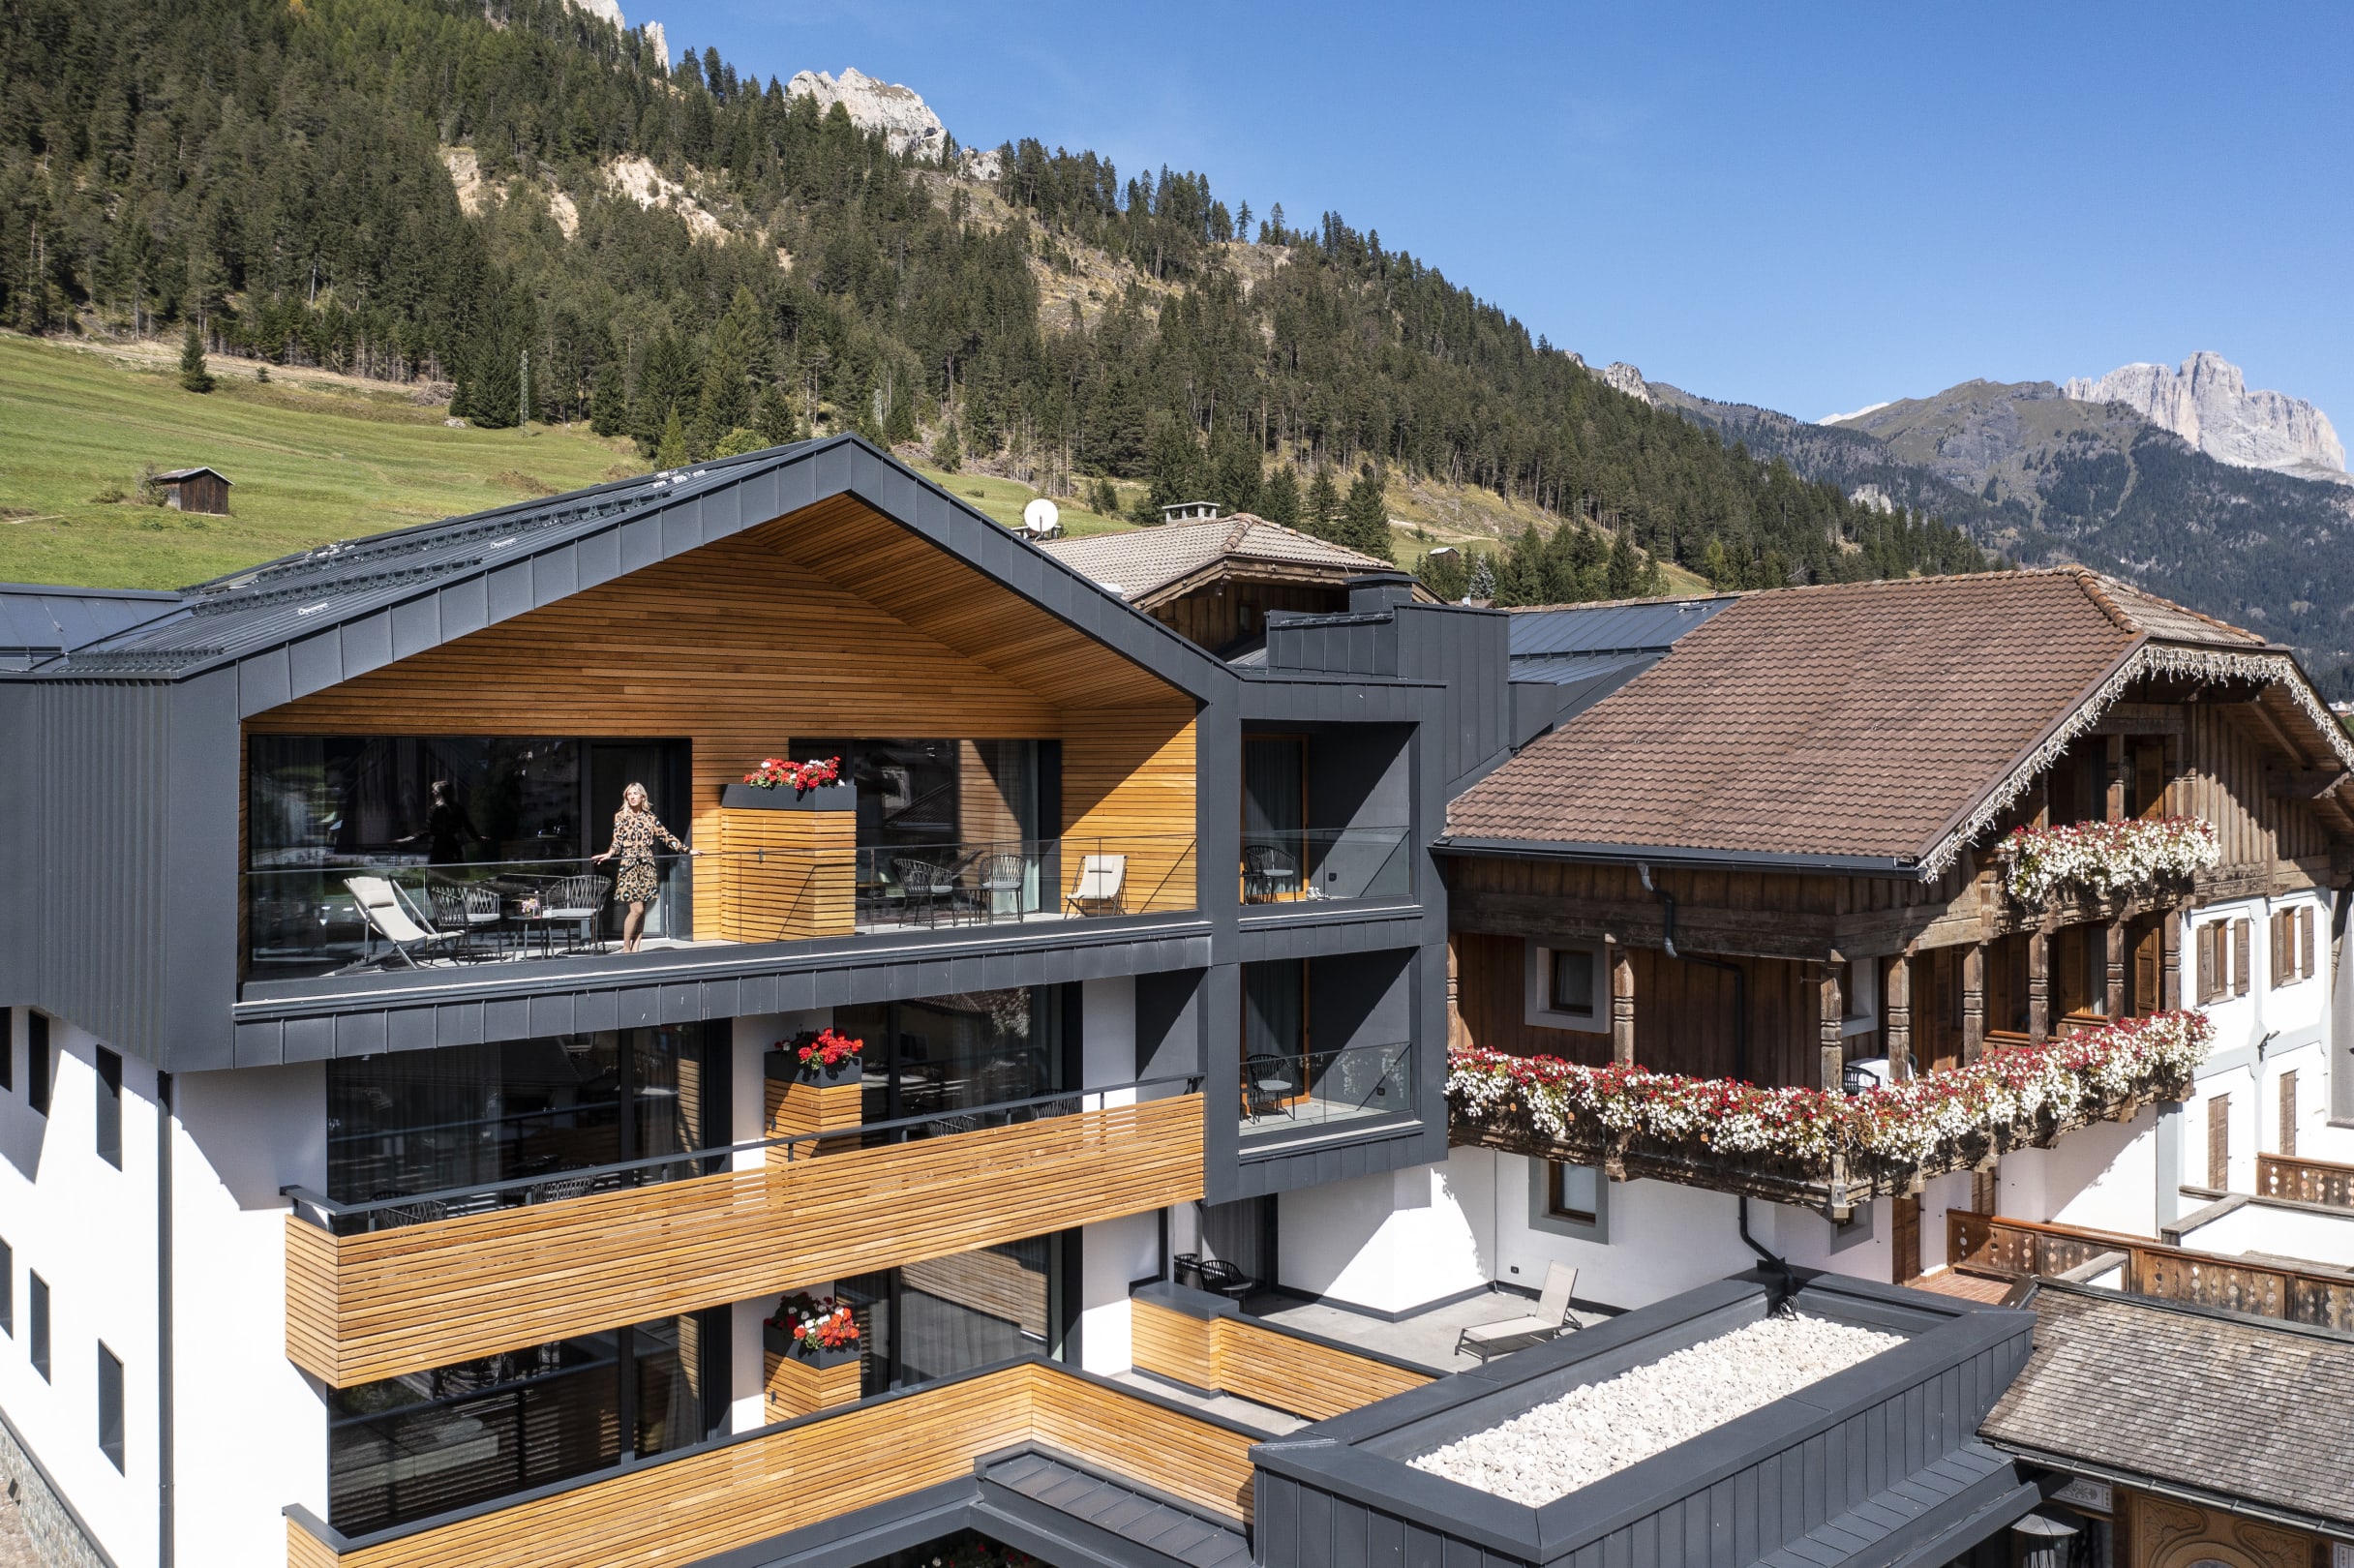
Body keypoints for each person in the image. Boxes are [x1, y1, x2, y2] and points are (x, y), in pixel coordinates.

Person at [592, 783, 700, 952]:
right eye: (629, 794)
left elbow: (666, 836)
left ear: (643, 796)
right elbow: (617, 840)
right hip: (629, 864)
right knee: (637, 909)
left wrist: (687, 850)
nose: (632, 797)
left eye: (635, 793)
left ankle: (636, 947)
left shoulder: (650, 818)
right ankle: (626, 948)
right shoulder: (621, 816)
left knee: (642, 910)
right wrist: (609, 853)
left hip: (647, 865)